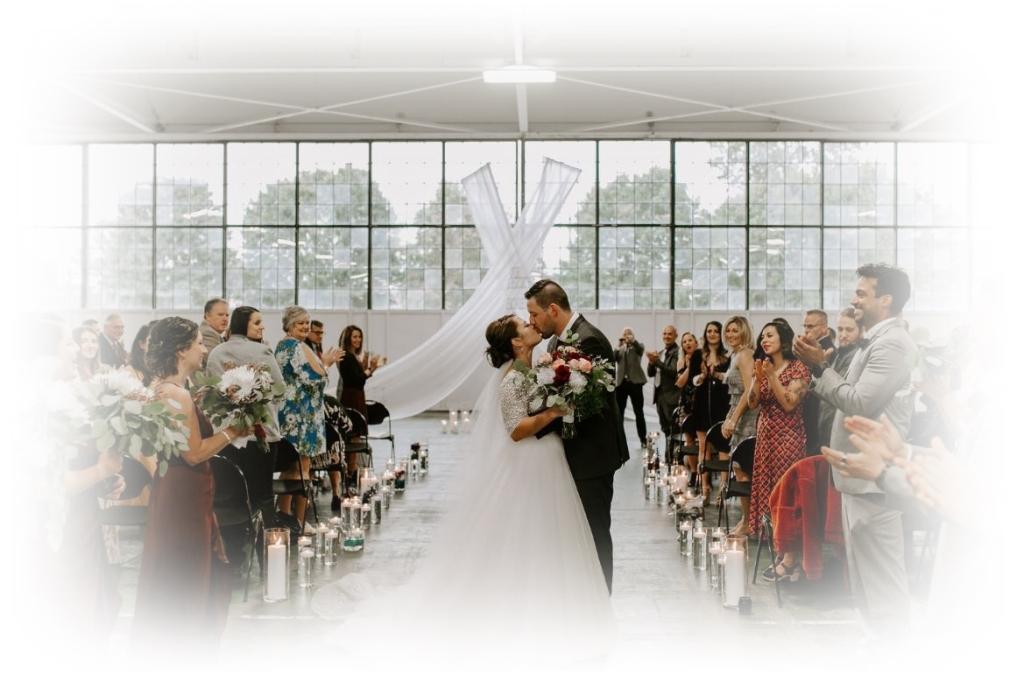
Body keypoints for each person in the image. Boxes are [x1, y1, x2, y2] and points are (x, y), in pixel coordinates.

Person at [311, 314, 612, 663]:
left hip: (547, 459)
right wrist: (554, 413)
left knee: (547, 536)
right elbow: (516, 429)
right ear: (516, 342)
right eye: (524, 326)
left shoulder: (532, 370)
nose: (532, 326)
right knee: (524, 535)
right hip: (529, 462)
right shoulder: (512, 378)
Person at [793, 263, 917, 633]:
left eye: (862, 293)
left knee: (884, 583)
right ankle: (878, 644)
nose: (854, 299)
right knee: (865, 581)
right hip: (858, 478)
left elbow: (859, 402)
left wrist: (820, 368)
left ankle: (894, 649)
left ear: (886, 299)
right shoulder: (875, 340)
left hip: (875, 479)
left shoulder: (893, 343)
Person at [133, 317, 248, 650]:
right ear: (181, 350)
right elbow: (195, 454)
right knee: (188, 569)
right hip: (185, 495)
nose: (204, 349)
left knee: (174, 567)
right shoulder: (177, 395)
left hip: (175, 490)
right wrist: (232, 432)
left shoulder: (161, 389)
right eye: (198, 342)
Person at [525, 279, 629, 593]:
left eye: (534, 314)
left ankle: (601, 599)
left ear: (552, 309)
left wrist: (535, 425)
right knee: (574, 534)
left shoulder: (590, 340)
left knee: (594, 532)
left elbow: (590, 404)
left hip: (591, 456)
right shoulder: (555, 344)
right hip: (571, 454)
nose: (532, 321)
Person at [206, 306, 286, 528]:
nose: (262, 327)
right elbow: (280, 389)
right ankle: (267, 538)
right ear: (244, 325)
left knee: (229, 495)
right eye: (257, 323)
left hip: (227, 434)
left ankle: (232, 540)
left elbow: (213, 391)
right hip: (260, 432)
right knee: (263, 494)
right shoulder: (262, 351)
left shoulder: (216, 353)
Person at [745, 320, 810, 555]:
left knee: (785, 490)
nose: (764, 340)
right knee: (767, 487)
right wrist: (756, 377)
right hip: (766, 438)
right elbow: (753, 403)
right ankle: (773, 541)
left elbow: (789, 404)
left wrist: (771, 376)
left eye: (770, 335)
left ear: (783, 340)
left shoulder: (798, 368)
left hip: (788, 438)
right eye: (762, 336)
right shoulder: (765, 367)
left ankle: (789, 548)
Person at [275, 307, 343, 530]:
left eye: (307, 322)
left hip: (291, 412)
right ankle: (300, 522)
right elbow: (314, 379)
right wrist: (327, 363)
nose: (305, 326)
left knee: (290, 469)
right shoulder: (295, 347)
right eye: (300, 323)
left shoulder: (284, 345)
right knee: (303, 470)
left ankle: (285, 518)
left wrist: (322, 364)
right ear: (289, 325)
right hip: (301, 416)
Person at [720, 316, 757, 530]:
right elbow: (735, 395)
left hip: (748, 418)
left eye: (735, 330)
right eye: (728, 330)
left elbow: (749, 390)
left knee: (743, 468)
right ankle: (747, 519)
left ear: (745, 332)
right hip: (738, 416)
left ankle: (748, 521)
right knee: (740, 469)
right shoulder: (735, 354)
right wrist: (729, 417)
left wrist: (734, 419)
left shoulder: (745, 354)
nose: (730, 334)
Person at [692, 321, 730, 502]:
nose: (712, 334)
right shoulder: (698, 354)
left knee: (723, 447)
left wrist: (717, 375)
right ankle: (704, 488)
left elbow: (731, 380)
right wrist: (702, 376)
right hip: (701, 404)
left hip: (721, 405)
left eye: (716, 331)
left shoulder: (728, 356)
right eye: (709, 331)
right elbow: (692, 380)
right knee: (703, 446)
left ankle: (723, 489)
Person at [817, 307, 863, 448]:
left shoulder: (857, 356)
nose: (843, 334)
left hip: (844, 431)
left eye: (849, 330)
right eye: (840, 329)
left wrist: (819, 366)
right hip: (829, 427)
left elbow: (838, 392)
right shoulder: (839, 354)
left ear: (861, 331)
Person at [800, 309, 833, 457]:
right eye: (805, 326)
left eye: (810, 326)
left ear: (824, 328)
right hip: (809, 410)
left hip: (818, 411)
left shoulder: (828, 350)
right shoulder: (810, 348)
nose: (806, 330)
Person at [646, 325, 680, 449]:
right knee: (665, 428)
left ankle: (673, 454)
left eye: (670, 334)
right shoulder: (661, 353)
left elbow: (673, 371)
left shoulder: (677, 352)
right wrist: (651, 362)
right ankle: (669, 453)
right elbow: (650, 373)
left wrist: (657, 362)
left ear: (676, 336)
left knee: (673, 428)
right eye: (665, 334)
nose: (667, 336)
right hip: (660, 396)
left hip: (671, 396)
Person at [613, 326, 647, 443]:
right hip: (621, 383)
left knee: (639, 412)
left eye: (629, 333)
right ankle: (619, 439)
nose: (626, 335)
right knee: (619, 413)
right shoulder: (620, 349)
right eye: (624, 333)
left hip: (635, 383)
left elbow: (640, 350)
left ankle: (643, 439)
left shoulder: (638, 346)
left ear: (633, 336)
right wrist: (618, 346)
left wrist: (633, 341)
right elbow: (613, 358)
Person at [673, 331, 701, 474]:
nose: (687, 343)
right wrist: (690, 366)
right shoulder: (681, 361)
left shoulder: (703, 358)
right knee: (689, 439)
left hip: (701, 401)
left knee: (702, 440)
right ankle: (694, 472)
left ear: (696, 343)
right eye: (684, 341)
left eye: (690, 340)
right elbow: (679, 383)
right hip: (687, 403)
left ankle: (703, 474)